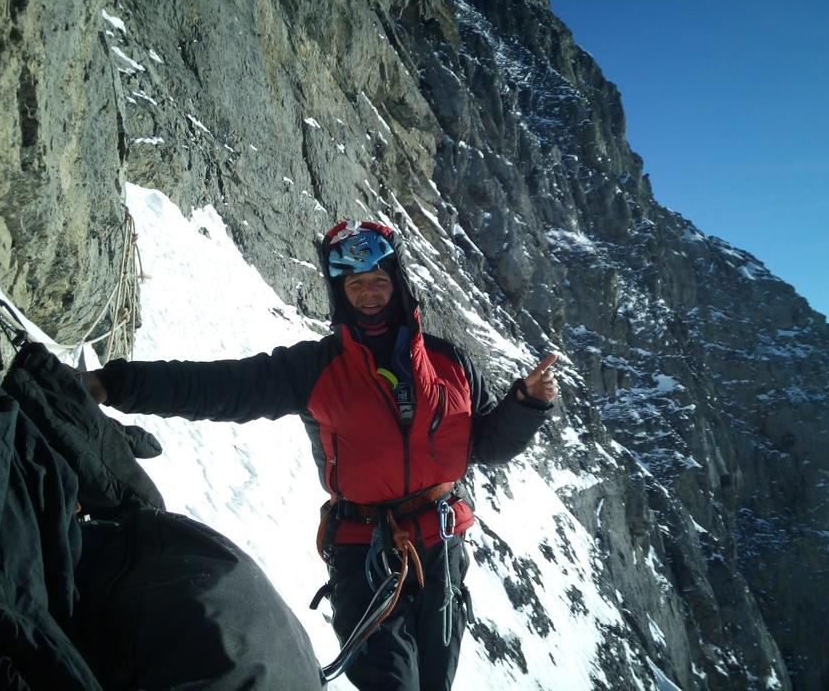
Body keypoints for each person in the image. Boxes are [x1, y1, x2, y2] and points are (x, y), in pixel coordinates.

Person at [83, 220, 559, 690]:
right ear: (340, 293)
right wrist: (117, 385)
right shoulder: (318, 368)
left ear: (399, 284)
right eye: (356, 286)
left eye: (379, 281)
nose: (370, 294)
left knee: (435, 681)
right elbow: (222, 386)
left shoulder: (450, 362)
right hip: (364, 550)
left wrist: (526, 404)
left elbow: (485, 447)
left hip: (441, 549)